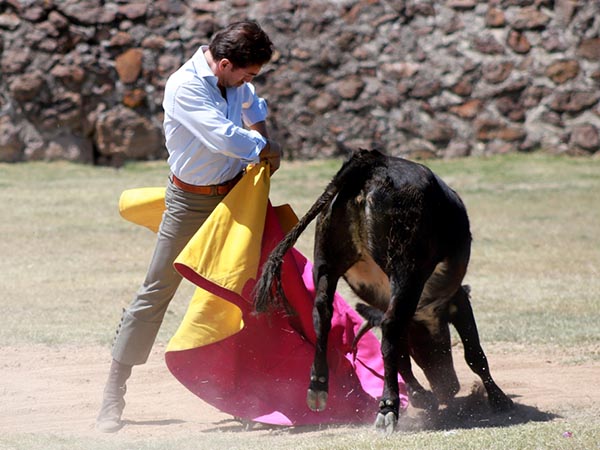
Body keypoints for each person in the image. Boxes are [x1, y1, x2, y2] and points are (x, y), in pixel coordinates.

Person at [96, 20, 282, 433]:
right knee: (156, 291)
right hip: (190, 202)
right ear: (226, 64)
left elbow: (252, 102)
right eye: (247, 74)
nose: (249, 82)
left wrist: (263, 130)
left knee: (255, 287)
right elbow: (224, 138)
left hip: (235, 198)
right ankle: (112, 395)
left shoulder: (233, 80)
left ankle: (252, 392)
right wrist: (265, 147)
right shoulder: (184, 87)